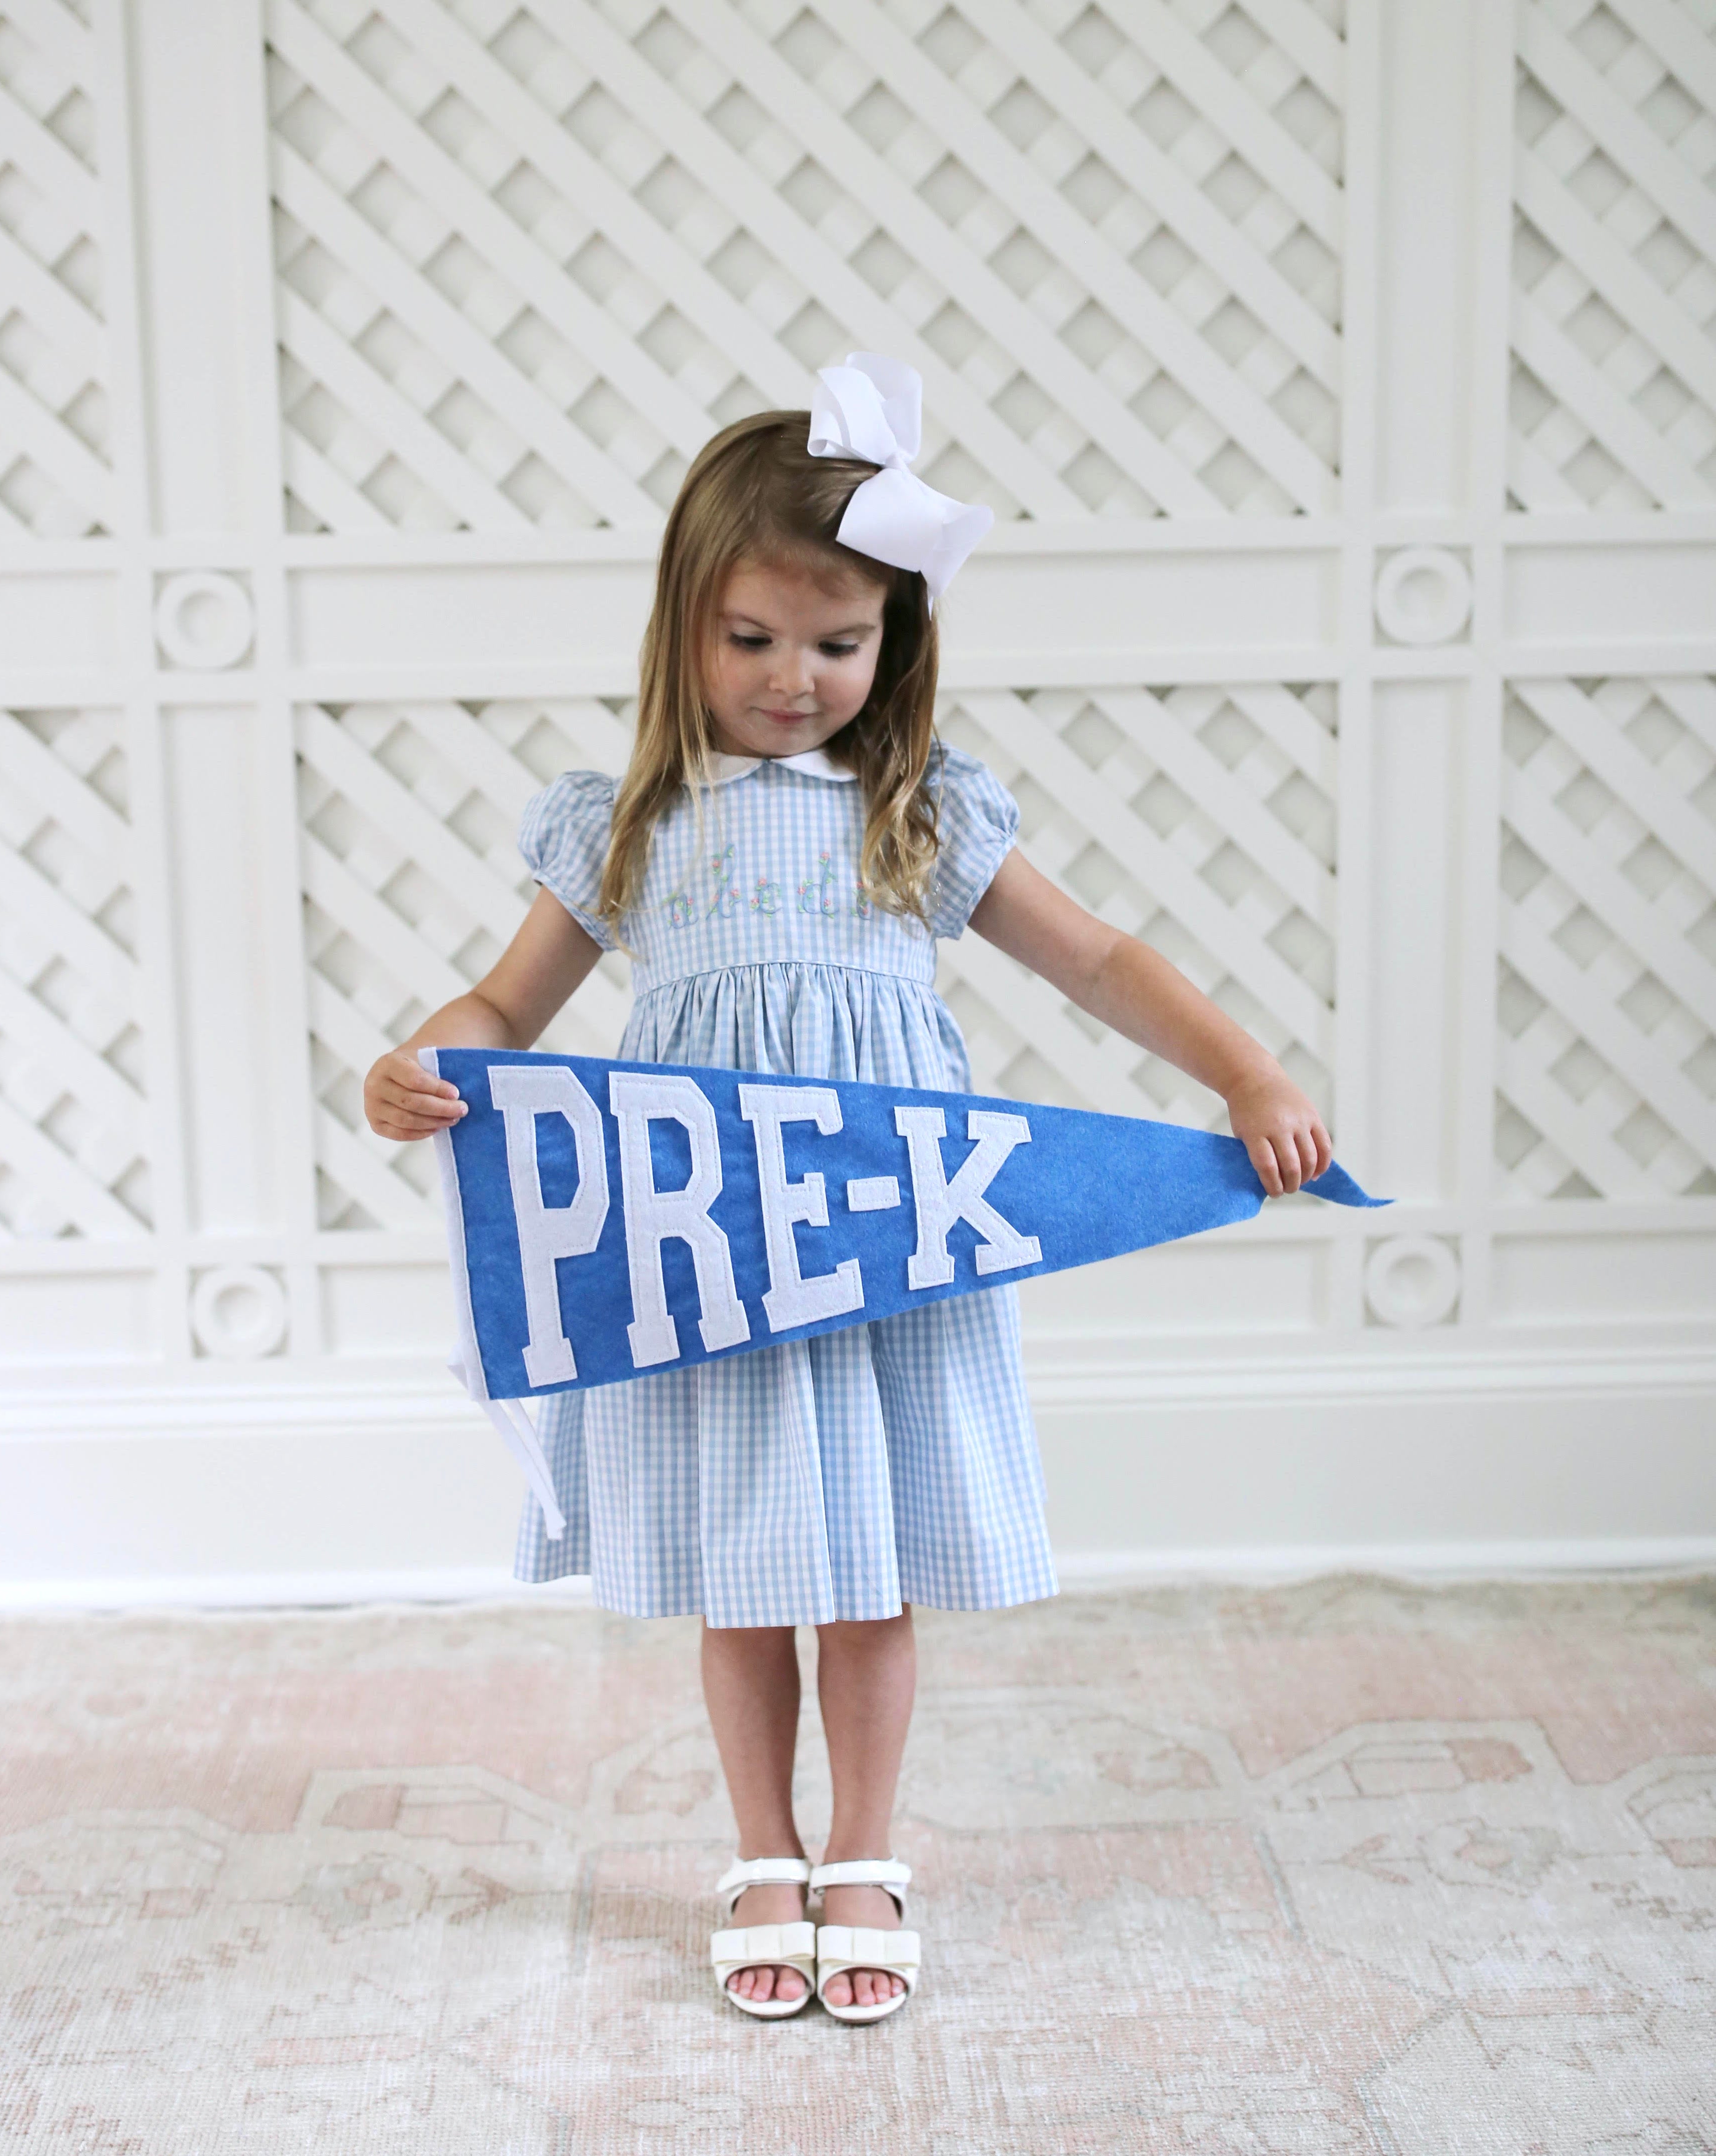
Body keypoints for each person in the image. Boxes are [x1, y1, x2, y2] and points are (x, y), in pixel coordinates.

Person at [364, 357, 1331, 2024]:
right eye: (752, 641)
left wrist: (1244, 1073)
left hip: (884, 1238)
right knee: (745, 1569)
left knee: (866, 1566)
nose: (794, 679)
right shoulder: (632, 829)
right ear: (682, 628)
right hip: (706, 1248)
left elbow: (1096, 956)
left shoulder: (918, 818)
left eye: (839, 643)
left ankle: (868, 1850)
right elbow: (505, 1008)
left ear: (896, 645)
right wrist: (425, 1056)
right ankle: (762, 1847)